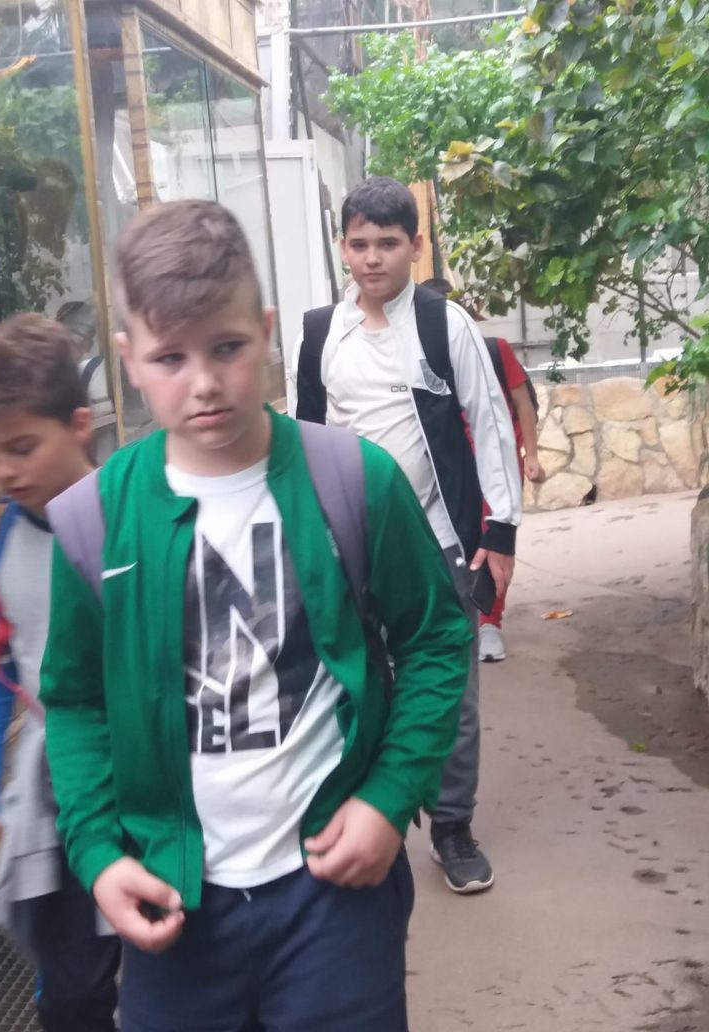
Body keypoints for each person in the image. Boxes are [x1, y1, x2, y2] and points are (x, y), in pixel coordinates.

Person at [39, 198, 471, 1032]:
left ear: (267, 332)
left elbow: (435, 639)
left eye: (227, 348)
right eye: (170, 356)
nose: (203, 383)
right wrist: (96, 855)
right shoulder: (95, 521)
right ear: (128, 360)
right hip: (174, 905)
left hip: (335, 897)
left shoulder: (356, 480)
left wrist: (389, 795)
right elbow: (77, 702)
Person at [289, 176, 523, 896]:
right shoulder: (320, 333)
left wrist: (501, 532)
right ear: (342, 248)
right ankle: (360, 817)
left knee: (449, 691)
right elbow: (303, 439)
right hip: (347, 547)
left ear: (415, 247)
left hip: (440, 543)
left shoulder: (442, 324)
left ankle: (451, 826)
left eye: (388, 243)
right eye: (359, 243)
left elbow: (490, 421)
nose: (372, 258)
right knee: (351, 683)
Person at [0, 314, 120, 1032]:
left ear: (79, 426)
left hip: (156, 785)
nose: (5, 471)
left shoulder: (136, 516)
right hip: (58, 796)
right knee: (73, 989)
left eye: (22, 447)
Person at [421, 279, 547, 662]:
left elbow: (522, 403)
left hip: (497, 463)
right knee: (450, 544)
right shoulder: (417, 354)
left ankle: (491, 622)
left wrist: (531, 455)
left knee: (494, 539)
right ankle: (457, 618)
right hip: (451, 466)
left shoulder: (494, 349)